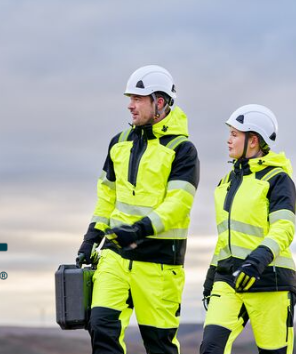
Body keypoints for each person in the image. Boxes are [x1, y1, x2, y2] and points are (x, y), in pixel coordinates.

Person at [76, 65, 200, 354]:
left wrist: (138, 230)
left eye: (137, 99)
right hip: (115, 257)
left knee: (159, 347)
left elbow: (178, 205)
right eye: (130, 98)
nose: (130, 105)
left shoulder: (183, 150)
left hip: (159, 264)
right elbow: (106, 198)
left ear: (159, 102)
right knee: (101, 328)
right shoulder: (118, 143)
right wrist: (91, 238)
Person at [200, 104, 296, 354]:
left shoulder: (277, 179)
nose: (228, 140)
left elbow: (284, 228)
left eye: (234, 134)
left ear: (253, 140)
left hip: (270, 280)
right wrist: (211, 276)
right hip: (228, 280)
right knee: (210, 349)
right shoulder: (226, 182)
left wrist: (258, 260)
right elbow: (225, 237)